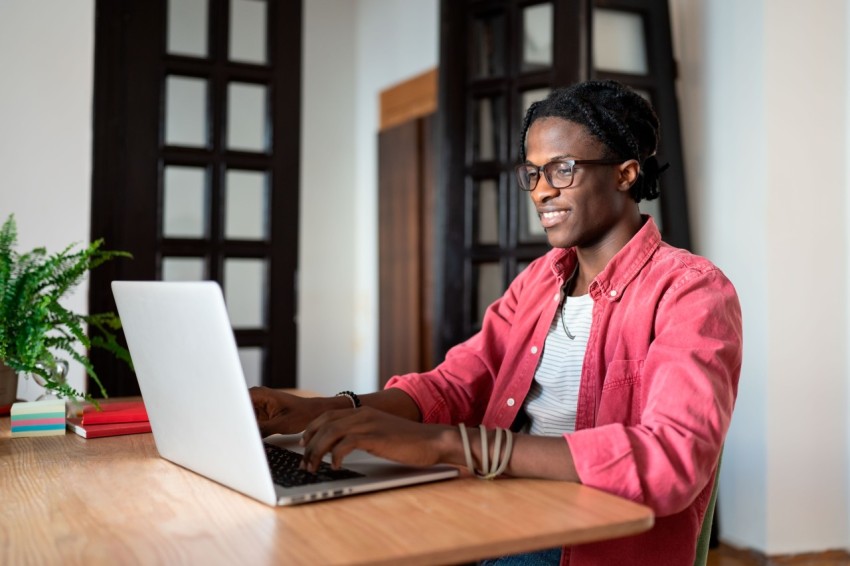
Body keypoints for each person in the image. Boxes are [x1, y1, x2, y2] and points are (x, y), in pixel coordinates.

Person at [250, 79, 743, 565]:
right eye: (532, 173)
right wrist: (321, 411)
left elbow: (670, 461)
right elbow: (453, 385)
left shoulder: (691, 292)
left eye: (562, 170)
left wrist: (454, 444)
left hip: (589, 546)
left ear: (625, 174)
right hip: (497, 512)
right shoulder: (538, 281)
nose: (542, 191)